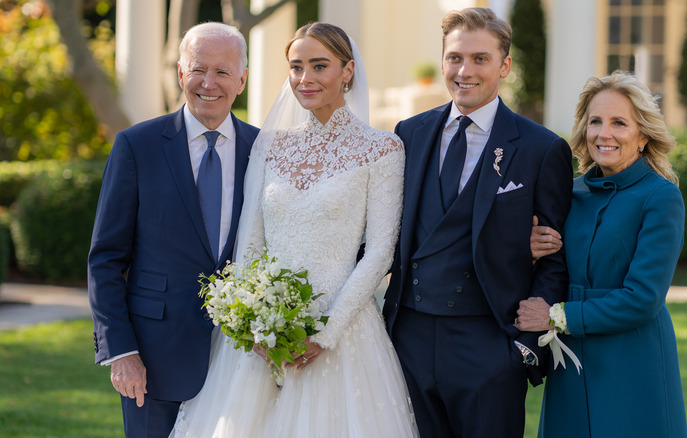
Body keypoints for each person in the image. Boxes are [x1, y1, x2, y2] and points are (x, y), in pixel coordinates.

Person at [167, 22, 419, 437]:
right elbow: (250, 241)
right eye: (296, 66)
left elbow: (380, 251)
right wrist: (253, 325)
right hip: (261, 336)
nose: (305, 79)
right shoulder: (271, 145)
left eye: (319, 66)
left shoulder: (383, 149)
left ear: (348, 70)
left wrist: (327, 331)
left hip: (342, 331)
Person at [381, 7, 573, 437]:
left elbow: (558, 257)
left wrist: (524, 348)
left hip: (489, 344)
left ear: (504, 66)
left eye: (480, 59)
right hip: (408, 338)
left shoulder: (542, 148)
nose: (465, 70)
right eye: (455, 58)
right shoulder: (408, 133)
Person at [87, 22, 257, 437]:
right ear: (181, 74)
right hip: (153, 359)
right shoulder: (137, 145)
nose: (209, 83)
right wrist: (121, 351)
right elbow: (106, 259)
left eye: (222, 71)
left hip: (244, 361)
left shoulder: (265, 150)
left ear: (242, 79)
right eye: (198, 69)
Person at [517, 71, 687, 437]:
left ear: (643, 135)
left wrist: (555, 315)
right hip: (571, 363)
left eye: (619, 123)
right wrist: (530, 252)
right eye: (595, 121)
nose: (603, 133)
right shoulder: (569, 193)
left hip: (632, 359)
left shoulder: (661, 198)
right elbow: (552, 268)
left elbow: (643, 298)